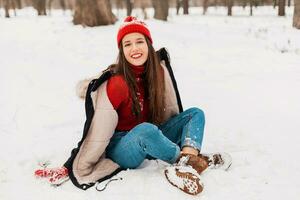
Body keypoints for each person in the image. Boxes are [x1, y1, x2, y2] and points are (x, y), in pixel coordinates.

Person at [34, 16, 230, 195]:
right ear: (122, 51)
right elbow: (95, 131)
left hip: (151, 133)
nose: (134, 48)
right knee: (146, 131)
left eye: (139, 41)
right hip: (122, 146)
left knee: (195, 114)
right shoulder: (118, 83)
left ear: (148, 44)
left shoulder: (156, 74)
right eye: (127, 44)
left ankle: (187, 161)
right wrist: (70, 165)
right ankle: (192, 162)